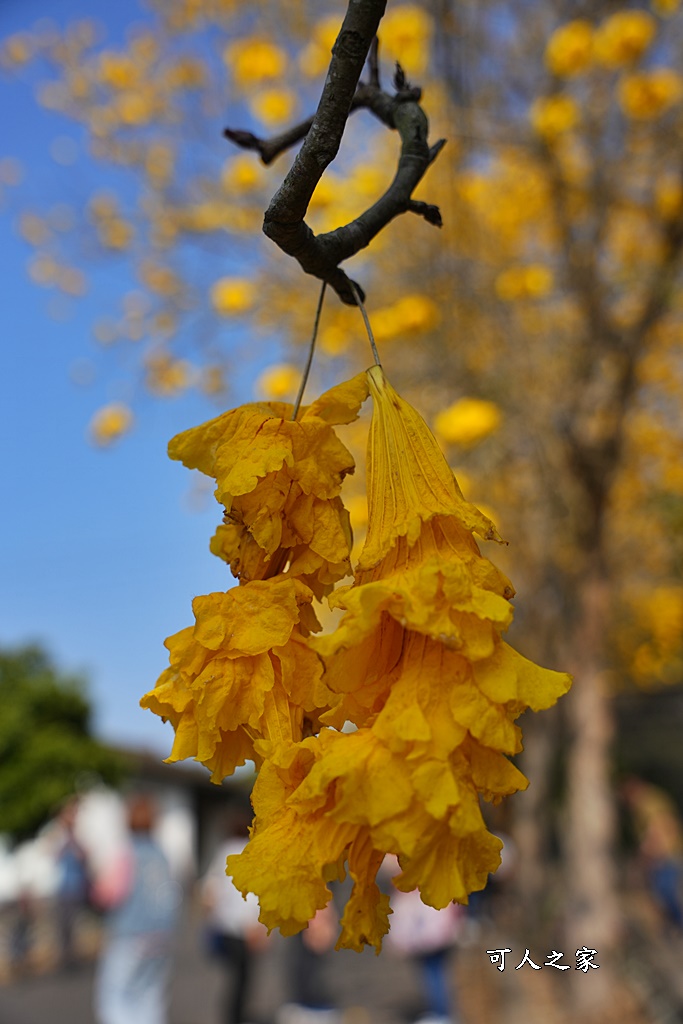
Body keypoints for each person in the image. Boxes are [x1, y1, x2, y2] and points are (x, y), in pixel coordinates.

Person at [94, 794, 180, 1024]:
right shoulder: (161, 854)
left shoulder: (127, 853)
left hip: (130, 935)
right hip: (161, 936)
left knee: (116, 996)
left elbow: (108, 893)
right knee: (151, 997)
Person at [202, 807, 267, 1024]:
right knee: (244, 980)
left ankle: (230, 1017)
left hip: (226, 926)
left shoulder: (224, 851)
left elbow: (210, 890)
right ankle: (237, 1017)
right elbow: (256, 895)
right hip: (246, 928)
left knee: (232, 978)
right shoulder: (253, 852)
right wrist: (259, 924)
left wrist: (212, 917)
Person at [53, 797, 90, 969]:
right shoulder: (61, 838)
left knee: (71, 925)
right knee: (64, 927)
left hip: (73, 887)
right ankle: (67, 957)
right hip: (66, 887)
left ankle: (70, 957)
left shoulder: (77, 839)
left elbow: (83, 857)